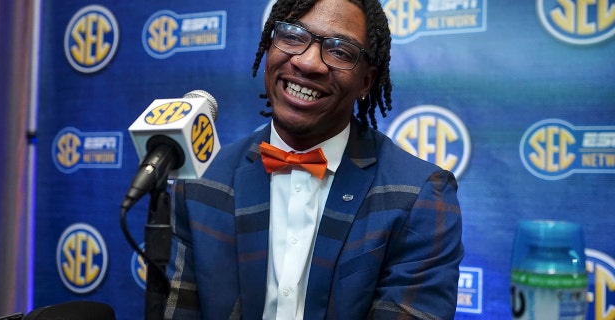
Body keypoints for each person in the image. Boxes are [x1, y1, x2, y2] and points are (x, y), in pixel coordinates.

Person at [164, 0, 464, 319]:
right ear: (268, 47)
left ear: (366, 81)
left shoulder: (419, 195)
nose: (308, 63)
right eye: (293, 36)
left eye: (340, 51)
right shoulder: (201, 181)